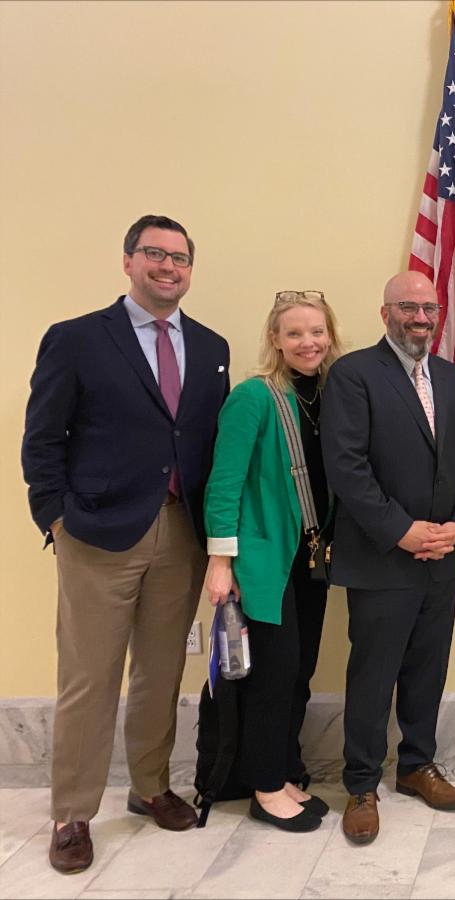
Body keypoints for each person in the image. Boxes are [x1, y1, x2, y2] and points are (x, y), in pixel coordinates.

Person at [21, 215, 229, 873]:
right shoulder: (78, 338)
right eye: (155, 254)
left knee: (162, 668)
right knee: (90, 675)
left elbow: (203, 441)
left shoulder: (211, 345)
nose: (169, 267)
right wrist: (54, 518)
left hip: (180, 529)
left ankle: (150, 785)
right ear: (128, 261)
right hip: (97, 533)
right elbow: (42, 437)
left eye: (180, 258)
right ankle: (72, 813)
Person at [321, 270, 455, 845]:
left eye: (429, 309)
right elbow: (346, 467)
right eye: (408, 308)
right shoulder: (353, 375)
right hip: (381, 557)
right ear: (385, 313)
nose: (420, 318)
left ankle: (416, 765)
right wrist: (402, 531)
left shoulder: (452, 378)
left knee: (427, 669)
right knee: (373, 674)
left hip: (441, 555)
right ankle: (362, 784)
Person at [202, 290, 344, 832]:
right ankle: (264, 787)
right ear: (275, 340)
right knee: (273, 675)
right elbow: (225, 482)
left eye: (317, 331)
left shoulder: (330, 396)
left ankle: (284, 771)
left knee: (299, 671)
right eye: (295, 333)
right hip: (265, 559)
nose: (308, 342)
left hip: (312, 558)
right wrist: (221, 562)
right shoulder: (253, 397)